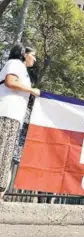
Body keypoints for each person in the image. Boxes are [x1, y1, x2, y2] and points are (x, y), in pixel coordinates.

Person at [0, 44, 40, 201]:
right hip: (6, 114)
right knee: (2, 152)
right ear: (25, 54)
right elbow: (10, 82)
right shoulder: (15, 64)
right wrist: (31, 90)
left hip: (14, 117)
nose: (35, 59)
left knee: (6, 155)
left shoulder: (23, 71)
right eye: (33, 55)